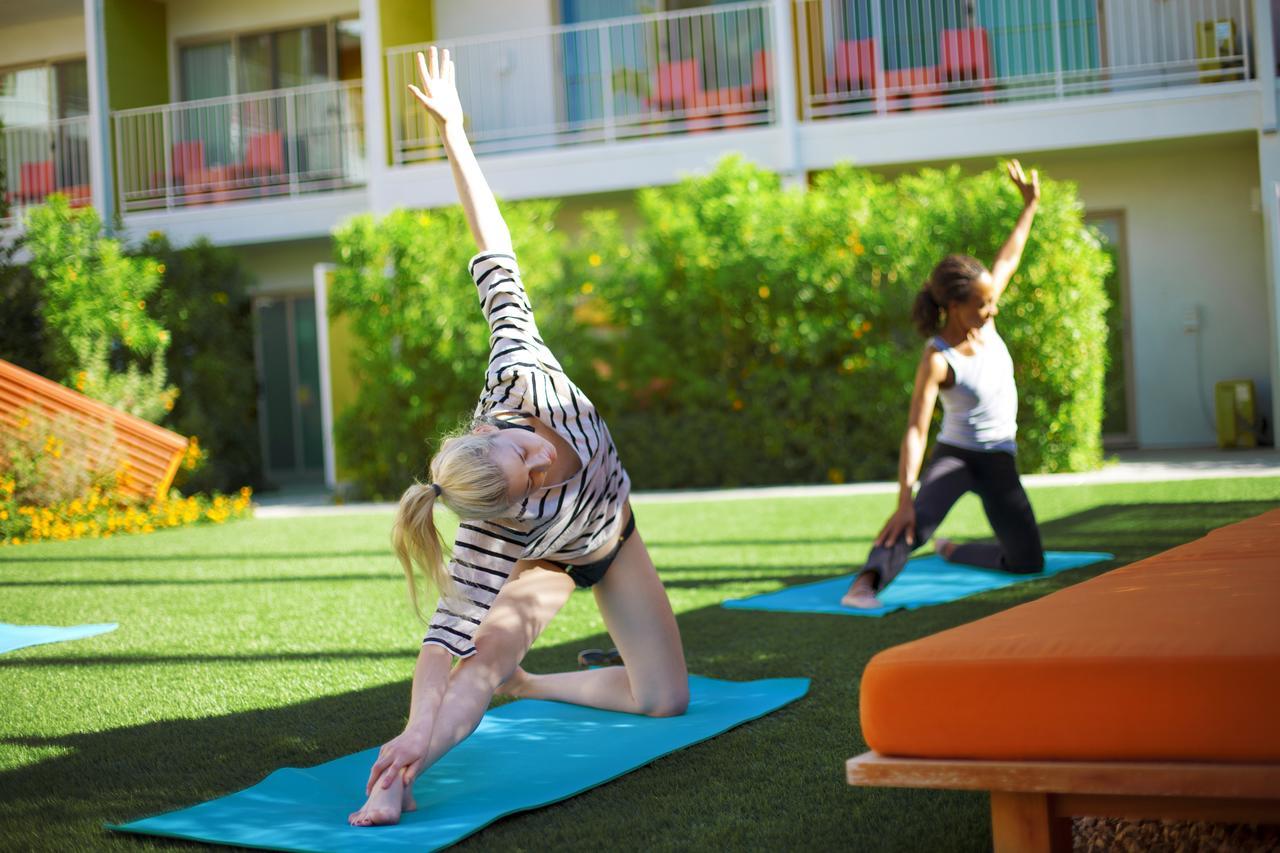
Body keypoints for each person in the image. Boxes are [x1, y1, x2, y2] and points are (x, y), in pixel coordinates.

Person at [349, 47, 688, 827]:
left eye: (522, 454)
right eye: (531, 482)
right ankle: (396, 778)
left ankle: (531, 684)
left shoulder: (517, 364)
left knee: (665, 699)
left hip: (615, 532)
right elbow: (443, 645)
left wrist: (455, 133)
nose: (541, 463)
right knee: (477, 665)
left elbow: (491, 241)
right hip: (553, 558)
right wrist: (413, 733)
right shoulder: (495, 530)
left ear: (485, 426)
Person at [842, 160, 1046, 610]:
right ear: (954, 306)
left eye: (992, 300)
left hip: (999, 458)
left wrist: (1028, 206)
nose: (992, 309)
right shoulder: (938, 358)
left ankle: (954, 551)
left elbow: (1009, 256)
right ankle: (865, 584)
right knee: (913, 525)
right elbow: (916, 429)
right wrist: (904, 498)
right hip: (957, 456)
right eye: (982, 304)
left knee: (1029, 561)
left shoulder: (986, 324)